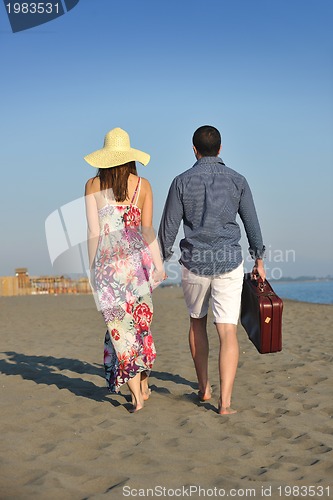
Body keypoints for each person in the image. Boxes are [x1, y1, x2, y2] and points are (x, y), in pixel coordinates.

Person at [158, 125, 265, 415]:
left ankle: (204, 389)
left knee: (197, 323)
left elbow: (168, 226)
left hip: (194, 262)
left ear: (194, 150)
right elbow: (251, 223)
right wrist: (259, 259)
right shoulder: (238, 180)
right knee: (227, 331)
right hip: (229, 261)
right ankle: (225, 403)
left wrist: (161, 259)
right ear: (220, 149)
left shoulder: (181, 181)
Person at [84, 127, 165, 412]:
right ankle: (142, 385)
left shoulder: (93, 185)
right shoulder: (144, 185)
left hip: (108, 266)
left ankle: (137, 394)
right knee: (139, 325)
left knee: (120, 329)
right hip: (136, 266)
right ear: (130, 157)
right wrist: (159, 264)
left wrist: (92, 268)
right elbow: (147, 230)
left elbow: (93, 232)